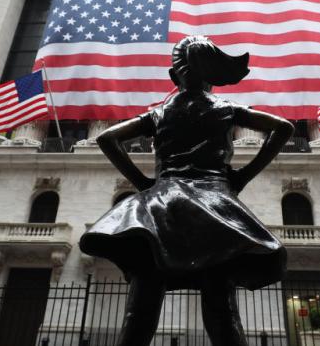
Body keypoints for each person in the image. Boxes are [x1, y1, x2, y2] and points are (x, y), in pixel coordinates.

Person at [80, 35, 294, 346]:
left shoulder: (159, 113)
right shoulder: (227, 108)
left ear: (173, 77)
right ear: (212, 77)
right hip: (214, 207)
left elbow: (107, 139)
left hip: (160, 206)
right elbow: (283, 127)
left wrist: (144, 185)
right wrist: (244, 176)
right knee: (222, 310)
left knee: (141, 308)